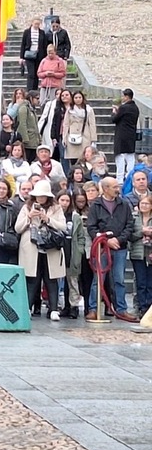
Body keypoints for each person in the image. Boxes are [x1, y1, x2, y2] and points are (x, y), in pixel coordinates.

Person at [14, 179, 67, 321]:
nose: (41, 198)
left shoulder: (56, 208)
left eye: (43, 196)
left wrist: (47, 219)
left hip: (50, 248)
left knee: (51, 279)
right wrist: (29, 217)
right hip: (32, 248)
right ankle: (28, 307)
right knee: (32, 279)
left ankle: (54, 309)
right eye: (38, 196)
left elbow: (62, 227)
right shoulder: (26, 207)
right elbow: (18, 228)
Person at [86, 177, 137, 321]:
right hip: (101, 248)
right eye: (114, 187)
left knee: (119, 279)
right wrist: (106, 241)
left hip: (120, 248)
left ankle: (121, 309)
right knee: (98, 279)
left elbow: (129, 225)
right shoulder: (96, 206)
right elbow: (91, 227)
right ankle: (93, 309)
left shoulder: (124, 204)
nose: (117, 189)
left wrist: (119, 239)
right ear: (106, 188)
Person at [112, 89, 141, 182]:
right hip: (131, 134)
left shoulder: (124, 108)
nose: (122, 98)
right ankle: (130, 176)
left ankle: (120, 178)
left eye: (123, 96)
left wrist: (114, 111)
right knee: (130, 157)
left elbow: (114, 119)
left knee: (120, 156)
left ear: (127, 97)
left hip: (121, 134)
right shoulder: (135, 108)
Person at [19, 18, 49, 92]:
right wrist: (21, 57)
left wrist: (45, 57)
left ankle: (34, 90)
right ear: (32, 23)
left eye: (38, 24)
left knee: (36, 73)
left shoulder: (42, 33)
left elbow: (44, 45)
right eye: (35, 24)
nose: (37, 25)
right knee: (31, 73)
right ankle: (29, 89)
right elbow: (23, 44)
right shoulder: (27, 32)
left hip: (39, 55)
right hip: (29, 55)